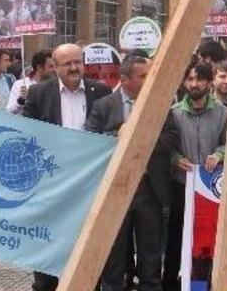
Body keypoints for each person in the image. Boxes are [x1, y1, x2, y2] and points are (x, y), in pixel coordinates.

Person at [23, 43, 112, 291]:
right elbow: (27, 134)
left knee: (87, 246)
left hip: (89, 185)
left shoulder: (101, 91)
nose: (74, 67)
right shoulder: (39, 93)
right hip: (52, 185)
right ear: (54, 67)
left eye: (78, 61)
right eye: (67, 63)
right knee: (48, 249)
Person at [85, 56, 169, 291]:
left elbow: (171, 138)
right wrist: (118, 138)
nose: (149, 80)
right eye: (143, 76)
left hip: (148, 189)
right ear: (124, 79)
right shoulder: (103, 105)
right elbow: (91, 140)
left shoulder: (159, 103)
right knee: (114, 253)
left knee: (150, 254)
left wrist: (143, 138)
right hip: (114, 188)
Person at [163, 62, 227, 291]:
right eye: (190, 79)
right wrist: (175, 158)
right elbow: (166, 145)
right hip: (182, 186)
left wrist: (220, 153)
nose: (194, 84)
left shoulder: (222, 113)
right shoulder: (174, 113)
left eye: (199, 79)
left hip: (211, 190)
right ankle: (170, 284)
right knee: (176, 238)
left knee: (209, 239)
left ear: (210, 83)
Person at [7, 49, 56, 115]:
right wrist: (20, 100)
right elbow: (9, 110)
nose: (54, 69)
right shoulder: (20, 84)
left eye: (55, 66)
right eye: (51, 66)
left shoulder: (56, 85)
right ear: (39, 67)